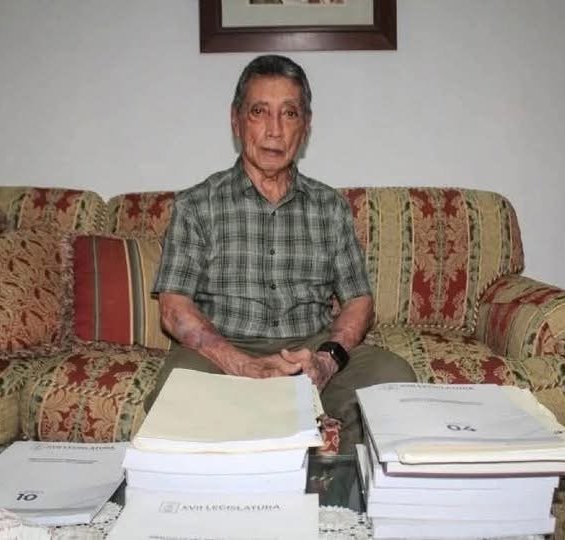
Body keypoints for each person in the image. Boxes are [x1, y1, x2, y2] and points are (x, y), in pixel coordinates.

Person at [149, 54, 416, 452]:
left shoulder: (330, 207)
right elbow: (173, 309)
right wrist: (245, 366)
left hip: (310, 349)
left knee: (393, 379)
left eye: (289, 114)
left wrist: (325, 361)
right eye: (259, 112)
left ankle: (344, 484)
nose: (274, 130)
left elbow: (358, 301)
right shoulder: (196, 205)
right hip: (221, 351)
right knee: (176, 397)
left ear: (305, 126)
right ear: (236, 120)